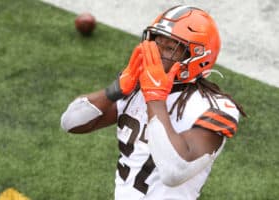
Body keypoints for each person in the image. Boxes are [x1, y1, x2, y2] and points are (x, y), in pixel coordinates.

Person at [60, 5, 246, 200]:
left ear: (197, 57)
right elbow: (71, 123)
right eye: (157, 43)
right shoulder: (137, 87)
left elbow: (174, 172)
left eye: (170, 48)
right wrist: (116, 89)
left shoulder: (214, 107)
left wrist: (155, 96)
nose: (157, 54)